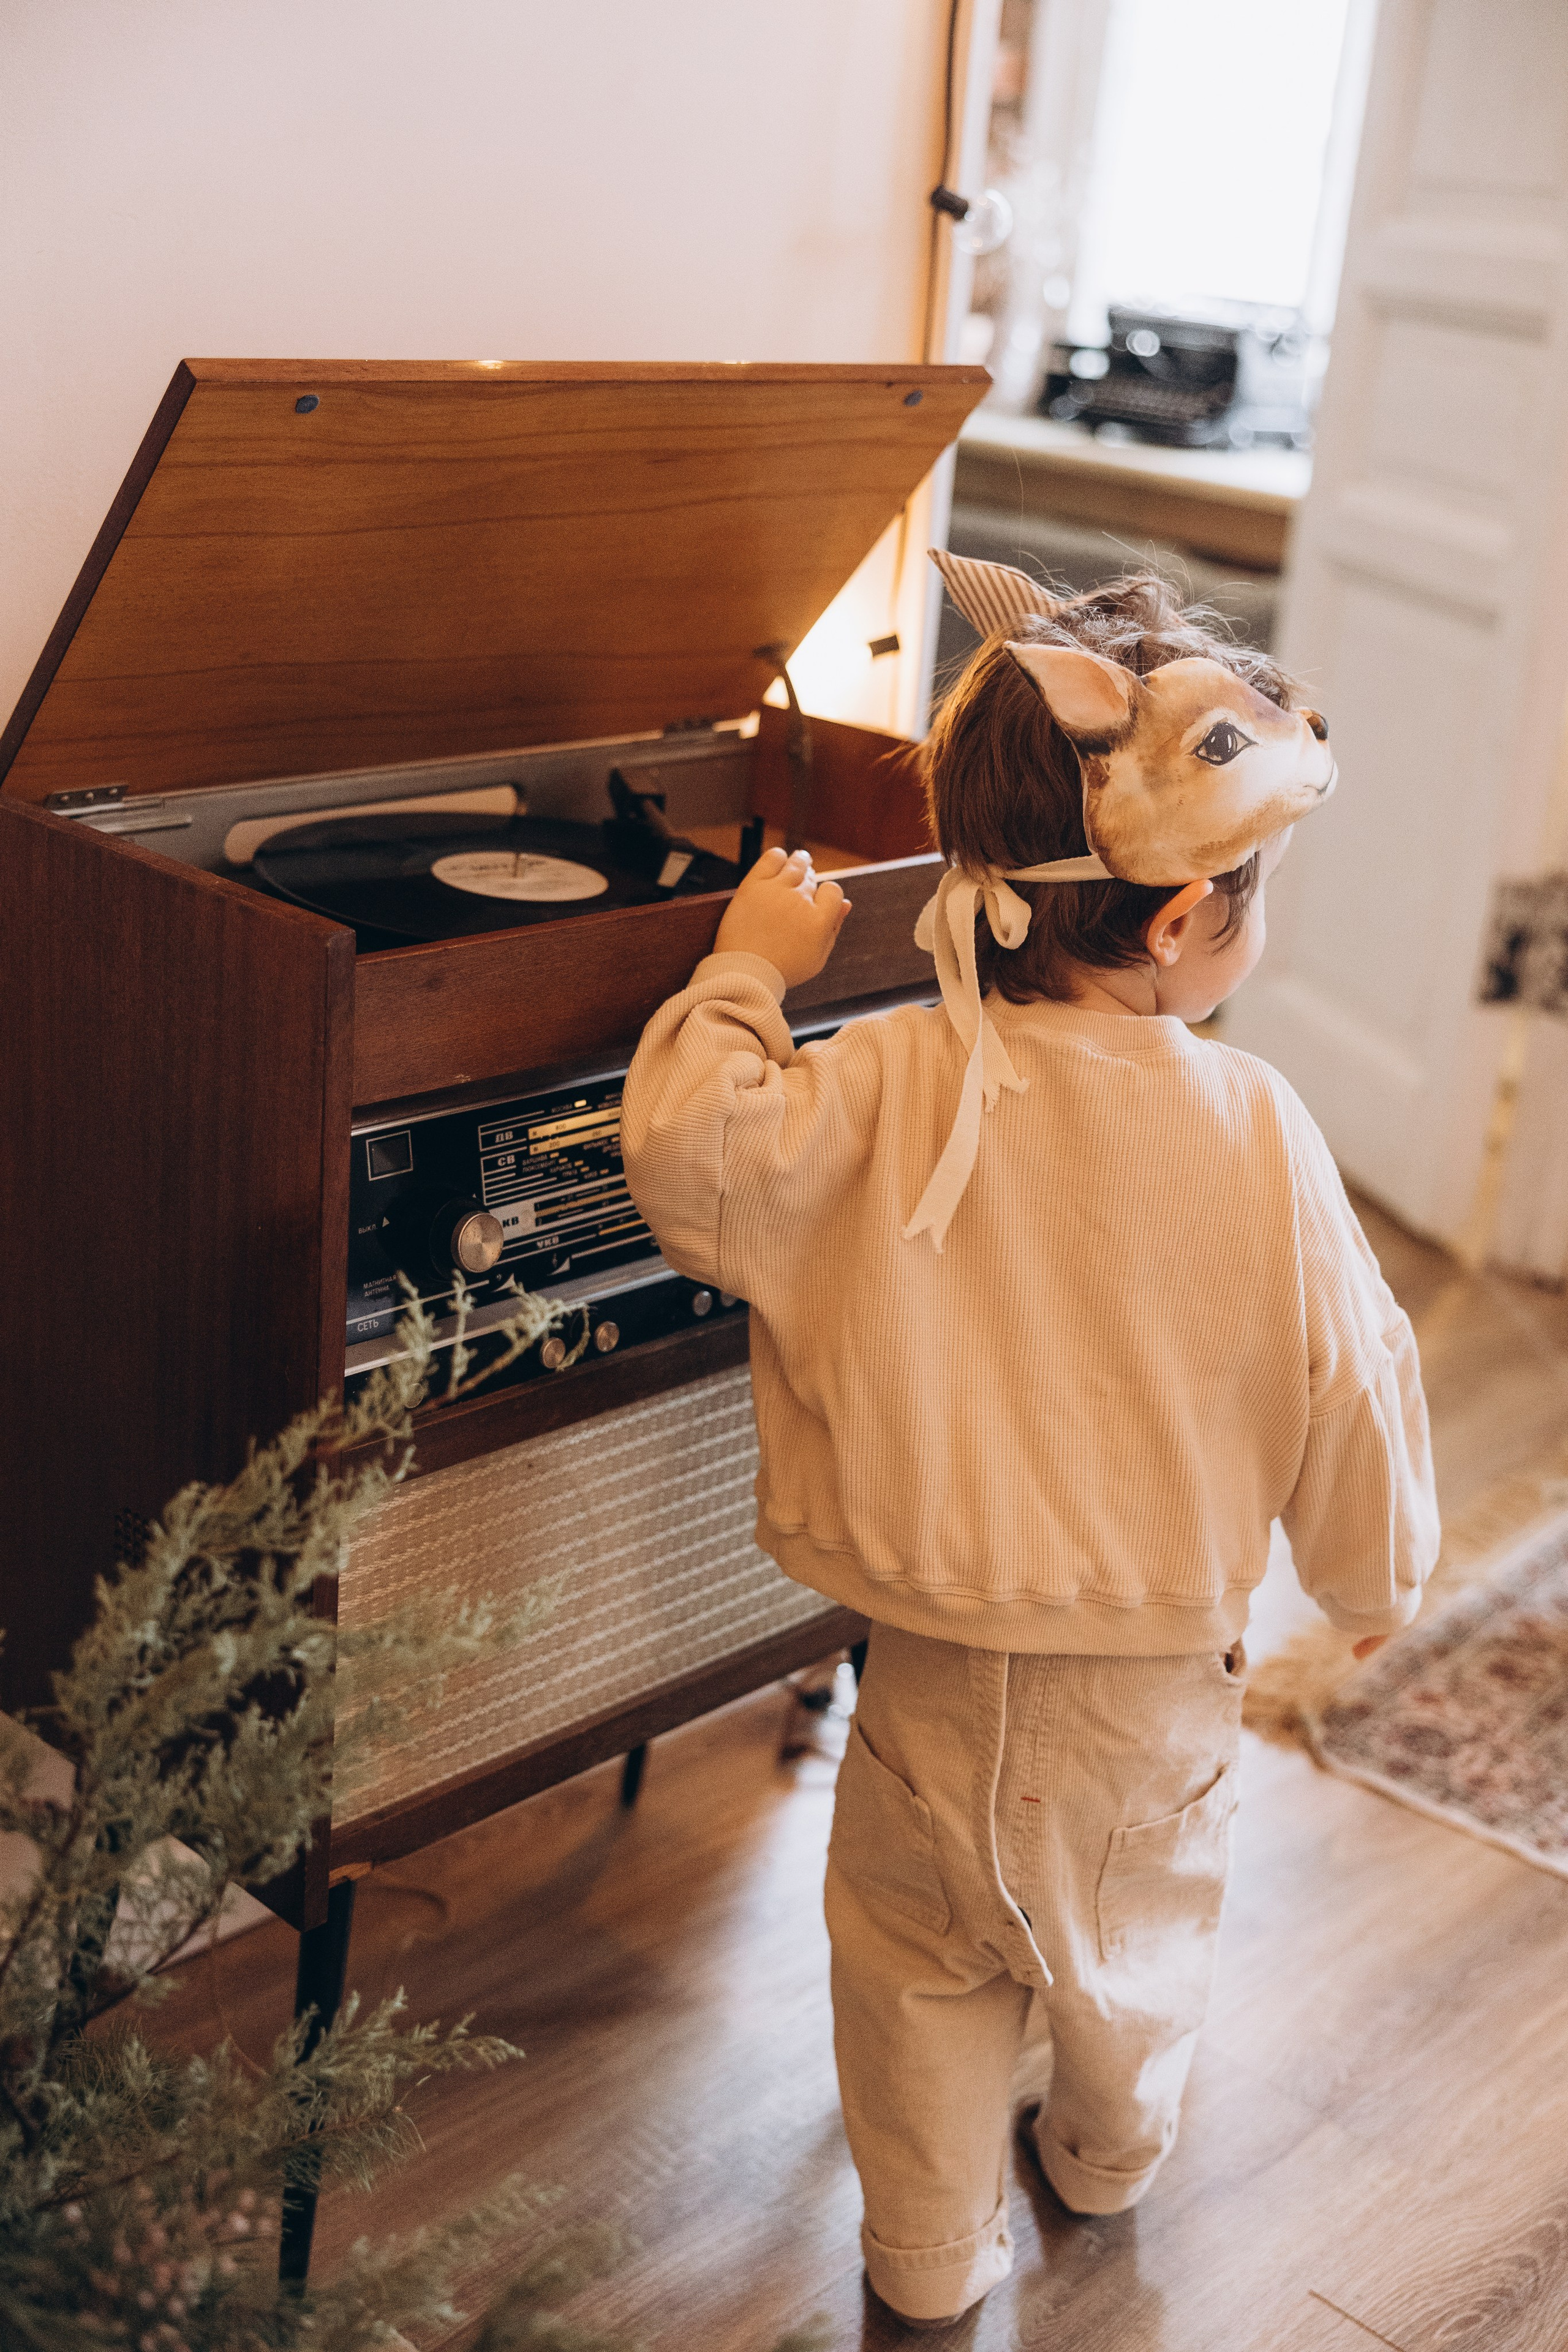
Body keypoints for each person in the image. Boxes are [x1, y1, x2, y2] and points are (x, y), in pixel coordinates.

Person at [619, 561, 1438, 2328]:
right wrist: (1376, 1582)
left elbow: (691, 1154)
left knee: (914, 1969)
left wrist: (745, 973)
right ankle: (1102, 2160)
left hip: (924, 1675)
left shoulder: (887, 1074)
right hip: (1152, 1690)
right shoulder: (1261, 1127)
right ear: (1174, 926)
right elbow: (1352, 1377)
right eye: (1255, 897)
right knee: (1130, 1956)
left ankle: (923, 2271)